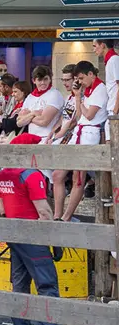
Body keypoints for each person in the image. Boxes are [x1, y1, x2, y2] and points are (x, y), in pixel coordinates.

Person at [0, 132, 78, 325]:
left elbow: (2, 209)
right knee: (47, 285)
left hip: (14, 235)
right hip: (33, 236)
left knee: (20, 286)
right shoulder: (32, 175)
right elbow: (43, 211)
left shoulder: (3, 174)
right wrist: (52, 237)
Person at [53, 61, 108, 222]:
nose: (81, 82)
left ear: (91, 74)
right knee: (58, 174)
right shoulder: (88, 90)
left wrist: (79, 98)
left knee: (78, 177)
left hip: (90, 133)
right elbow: (78, 116)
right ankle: (57, 215)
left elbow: (89, 115)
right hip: (80, 131)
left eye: (82, 78)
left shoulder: (100, 90)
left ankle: (66, 217)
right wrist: (78, 97)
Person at [17, 65, 65, 140]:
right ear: (34, 81)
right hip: (31, 138)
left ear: (50, 79)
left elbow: (44, 121)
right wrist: (34, 113)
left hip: (47, 138)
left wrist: (28, 116)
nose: (43, 82)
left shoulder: (55, 94)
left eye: (45, 79)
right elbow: (19, 122)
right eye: (39, 80)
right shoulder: (30, 97)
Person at [93, 39, 119, 142]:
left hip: (115, 110)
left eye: (95, 46)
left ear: (102, 45)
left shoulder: (114, 60)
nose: (93, 49)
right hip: (112, 108)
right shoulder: (110, 60)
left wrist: (115, 110)